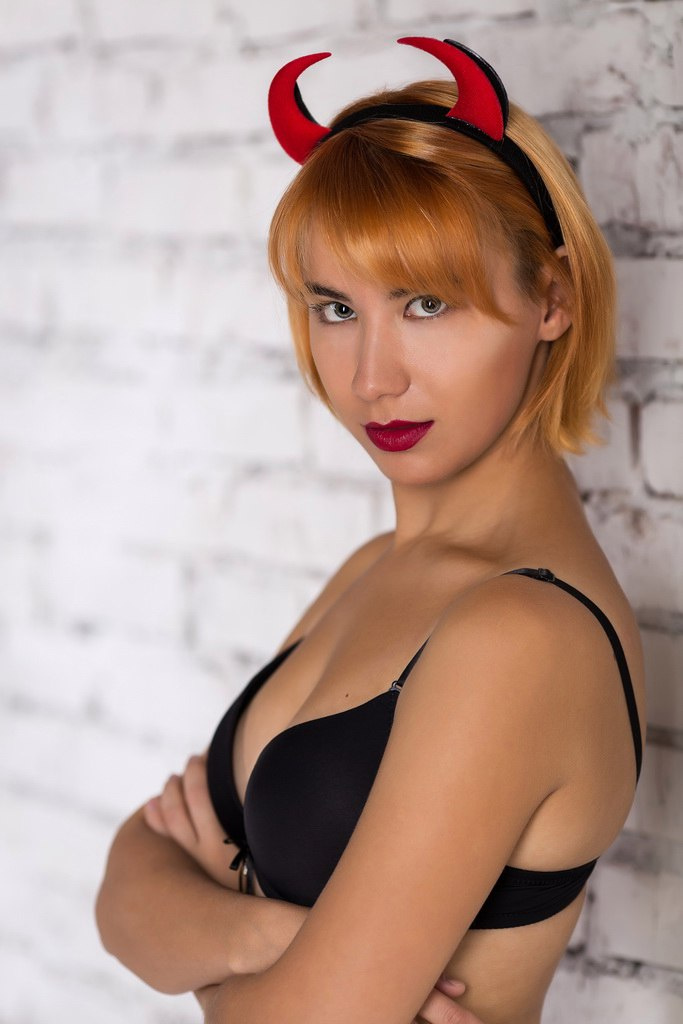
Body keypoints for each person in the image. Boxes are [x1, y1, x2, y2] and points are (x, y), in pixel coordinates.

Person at [95, 37, 646, 1024]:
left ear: (551, 298)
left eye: (425, 303)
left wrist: (210, 935)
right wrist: (274, 940)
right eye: (335, 307)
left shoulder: (521, 635)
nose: (370, 377)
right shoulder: (373, 569)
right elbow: (122, 892)